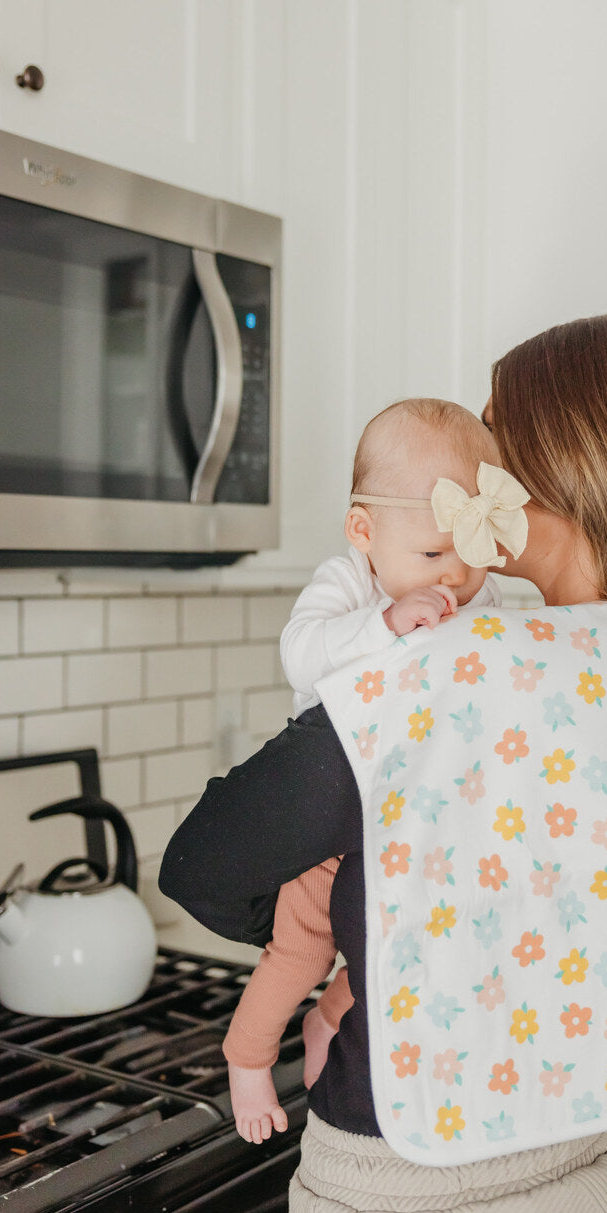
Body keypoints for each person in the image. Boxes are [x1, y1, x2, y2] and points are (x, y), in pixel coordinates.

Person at [160, 313, 607, 1213]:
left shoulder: (429, 689)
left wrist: (335, 923)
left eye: (487, 458)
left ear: (546, 492)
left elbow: (201, 867)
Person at [224, 398, 515, 1145]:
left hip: (420, 816)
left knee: (405, 939)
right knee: (304, 946)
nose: (456, 576)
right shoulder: (347, 585)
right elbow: (301, 653)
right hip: (336, 812)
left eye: (473, 554)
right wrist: (385, 624)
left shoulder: (483, 592)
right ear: (364, 532)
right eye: (431, 557)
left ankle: (329, 1021)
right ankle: (248, 1056)